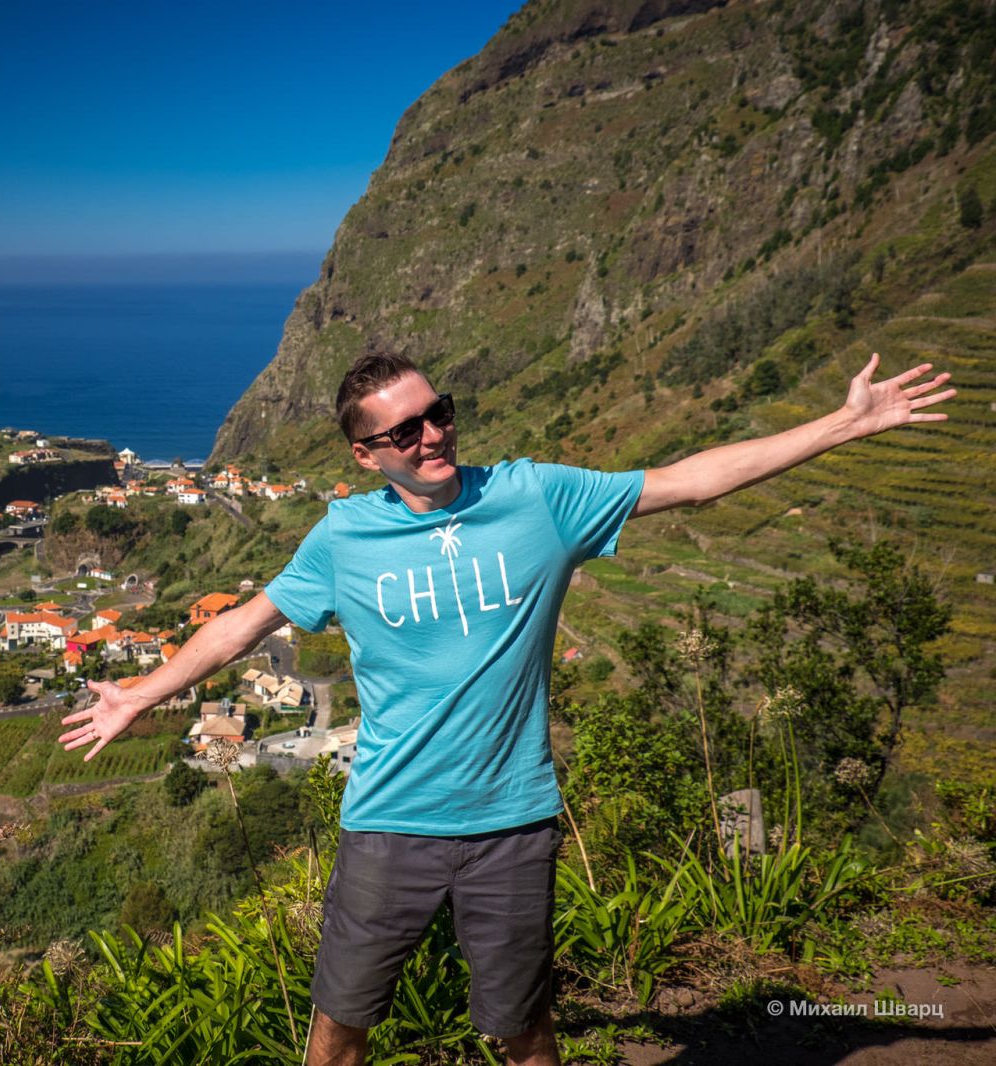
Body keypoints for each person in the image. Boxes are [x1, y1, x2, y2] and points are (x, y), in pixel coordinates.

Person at [57, 350, 953, 1066]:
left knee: (523, 1030)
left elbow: (690, 480)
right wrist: (137, 695)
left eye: (439, 412)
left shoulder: (536, 497)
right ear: (366, 454)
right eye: (405, 430)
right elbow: (241, 627)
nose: (433, 435)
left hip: (512, 822)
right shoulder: (343, 538)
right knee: (339, 1029)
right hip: (389, 822)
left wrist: (845, 423)